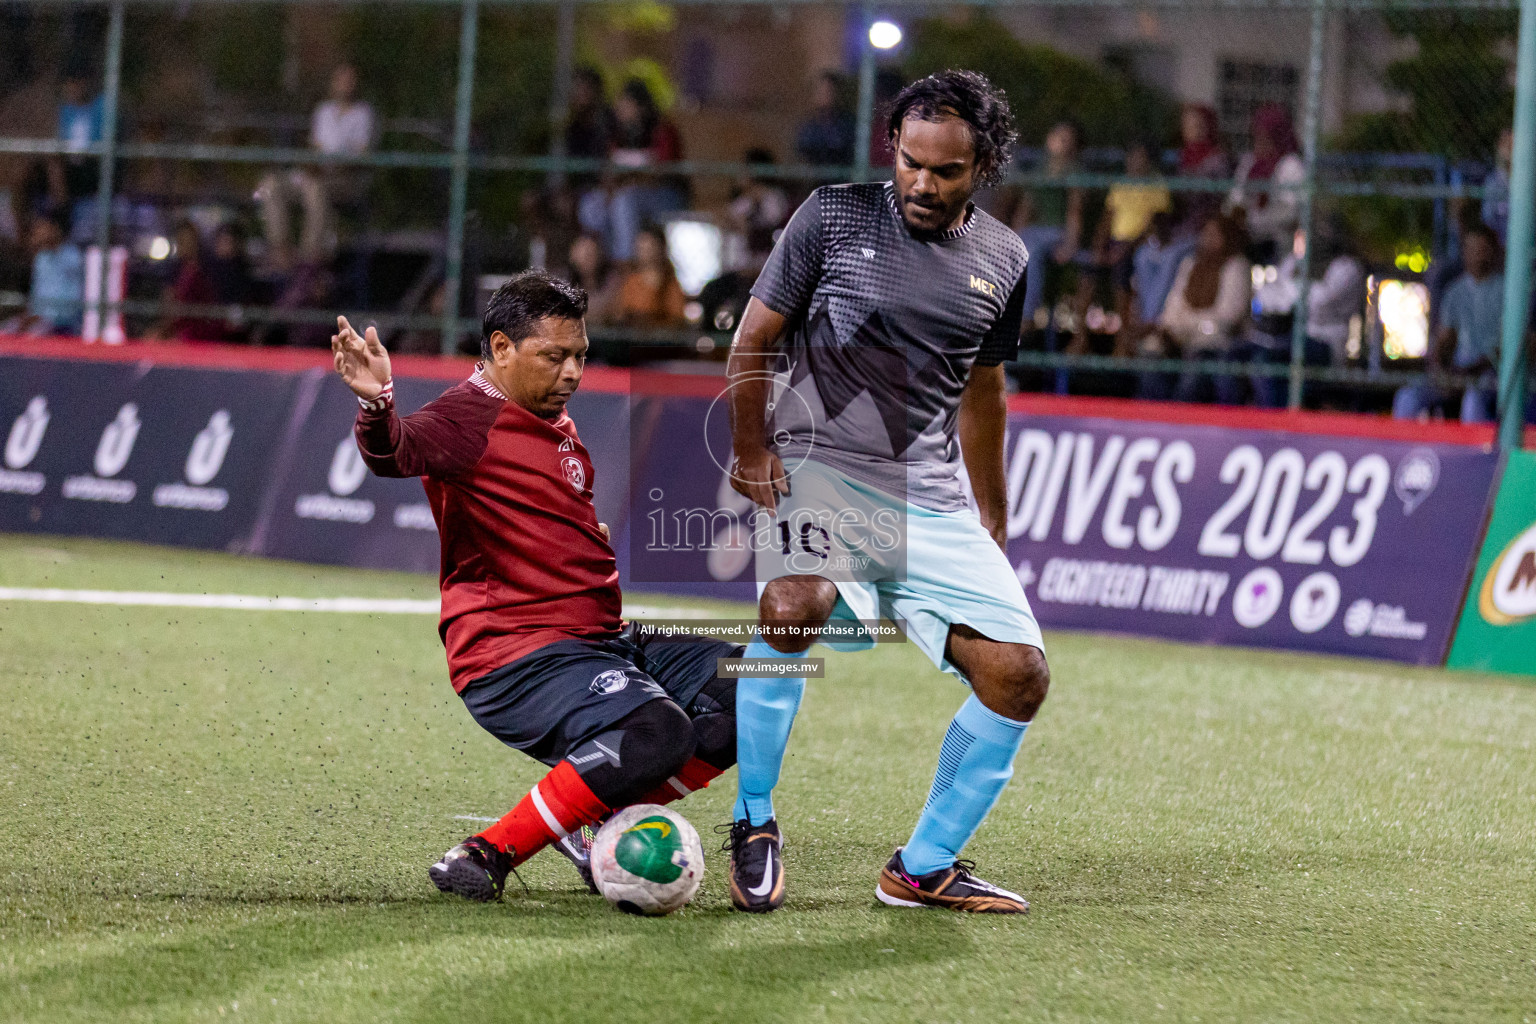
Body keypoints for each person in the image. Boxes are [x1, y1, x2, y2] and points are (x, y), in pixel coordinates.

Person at [725, 70, 1047, 914]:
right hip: (820, 466)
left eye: (945, 171)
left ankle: (923, 866)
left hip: (930, 498)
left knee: (1018, 676)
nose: (923, 183)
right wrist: (751, 445)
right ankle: (753, 819)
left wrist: (994, 514)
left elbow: (985, 393)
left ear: (982, 167)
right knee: (792, 604)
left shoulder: (1006, 259)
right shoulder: (830, 216)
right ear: (893, 150)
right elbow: (755, 335)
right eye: (911, 163)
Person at [330, 271, 743, 902]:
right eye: (555, 357)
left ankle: (596, 821)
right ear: (500, 348)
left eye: (580, 355)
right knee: (660, 730)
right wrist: (375, 402)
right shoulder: (465, 417)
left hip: (598, 642)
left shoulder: (553, 420)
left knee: (760, 681)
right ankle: (487, 852)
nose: (573, 372)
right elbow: (395, 451)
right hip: (515, 654)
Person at [257, 63, 376, 272]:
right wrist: (312, 163)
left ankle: (308, 257)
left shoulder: (363, 113)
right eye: (341, 80)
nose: (345, 85)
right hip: (315, 173)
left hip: (344, 180)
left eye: (350, 80)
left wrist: (333, 166)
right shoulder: (323, 111)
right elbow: (315, 147)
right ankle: (280, 249)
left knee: (314, 188)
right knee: (270, 184)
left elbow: (361, 155)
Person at [1240, 220, 1366, 408]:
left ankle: (1278, 424)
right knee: (1238, 355)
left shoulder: (1347, 267)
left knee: (1266, 362)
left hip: (1325, 344)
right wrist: (1296, 293)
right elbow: (1267, 296)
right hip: (1284, 337)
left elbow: (1319, 303)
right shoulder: (1295, 260)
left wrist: (1291, 290)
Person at [1393, 222, 1503, 424]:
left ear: (1493, 252)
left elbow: (1505, 347)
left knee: (1473, 399)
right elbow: (1445, 340)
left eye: (1482, 249)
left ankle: (1472, 455)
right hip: (1457, 372)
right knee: (1407, 396)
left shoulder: (1506, 290)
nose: (1477, 255)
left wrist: (1472, 370)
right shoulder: (1454, 291)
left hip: (1491, 373)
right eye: (1471, 249)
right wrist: (1442, 369)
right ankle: (1400, 453)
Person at [1067, 139, 1171, 353]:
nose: (1132, 161)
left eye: (1138, 156)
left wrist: (1124, 249)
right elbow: (1108, 217)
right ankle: (1080, 337)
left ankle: (1122, 343)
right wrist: (1098, 246)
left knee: (1121, 276)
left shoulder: (1157, 186)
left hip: (1137, 246)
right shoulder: (1122, 183)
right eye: (1131, 156)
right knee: (1087, 272)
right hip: (1114, 242)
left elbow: (1153, 225)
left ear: (1149, 161)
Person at [1137, 214, 1251, 403]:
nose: (1209, 240)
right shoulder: (1190, 264)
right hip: (1179, 338)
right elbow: (1174, 303)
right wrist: (1168, 328)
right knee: (1150, 354)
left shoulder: (1237, 266)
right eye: (1206, 234)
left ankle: (1182, 423)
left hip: (1215, 343)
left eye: (1215, 235)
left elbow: (1228, 316)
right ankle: (1155, 419)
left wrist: (1186, 328)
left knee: (1194, 373)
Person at [577, 79, 685, 263]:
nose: (620, 110)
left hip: (663, 195)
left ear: (641, 106)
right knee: (591, 204)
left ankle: (625, 264)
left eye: (626, 105)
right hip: (623, 189)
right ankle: (600, 262)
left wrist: (629, 181)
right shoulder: (618, 132)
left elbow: (662, 173)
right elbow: (608, 169)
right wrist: (612, 186)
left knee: (624, 202)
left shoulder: (661, 130)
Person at [1012, 120, 1086, 322]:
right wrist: (1011, 237)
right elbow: (1026, 207)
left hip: (1058, 231)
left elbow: (1074, 211)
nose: (1062, 143)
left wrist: (1071, 243)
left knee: (1031, 252)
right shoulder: (1039, 169)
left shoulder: (1074, 170)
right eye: (1059, 137)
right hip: (1036, 230)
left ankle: (1026, 317)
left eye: (1067, 139)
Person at [1227, 105, 1304, 262]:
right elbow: (1235, 199)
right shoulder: (1249, 163)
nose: (1260, 140)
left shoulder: (1291, 164)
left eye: (1267, 135)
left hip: (1279, 238)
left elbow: (1292, 211)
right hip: (1247, 235)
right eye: (1257, 135)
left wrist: (1256, 220)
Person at [1122, 209, 1195, 355]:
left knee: (1170, 257)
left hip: (1174, 317)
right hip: (1149, 316)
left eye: (1162, 227)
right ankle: (1148, 325)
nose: (1157, 232)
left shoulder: (1180, 251)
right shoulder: (1146, 254)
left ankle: (1151, 324)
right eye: (1154, 229)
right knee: (1142, 256)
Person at [4, 210, 83, 336]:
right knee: (5, 331)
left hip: (61, 321)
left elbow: (72, 301)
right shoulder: (41, 258)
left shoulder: (73, 256)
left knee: (32, 336)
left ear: (54, 229)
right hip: (38, 316)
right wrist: (27, 316)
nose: (38, 233)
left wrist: (42, 317)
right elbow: (36, 294)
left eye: (42, 228)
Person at [610, 226, 687, 328]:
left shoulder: (670, 284)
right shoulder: (630, 283)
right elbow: (620, 315)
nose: (645, 252)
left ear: (660, 248)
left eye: (650, 247)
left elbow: (677, 319)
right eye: (641, 248)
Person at [1176, 103, 1229, 232]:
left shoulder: (1217, 159)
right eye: (1187, 125)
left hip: (1206, 224)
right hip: (1182, 222)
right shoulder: (1182, 156)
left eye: (1197, 125)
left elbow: (1217, 196)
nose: (1192, 130)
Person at [794, 71, 855, 167]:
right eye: (820, 91)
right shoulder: (807, 129)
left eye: (829, 91)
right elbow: (801, 158)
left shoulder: (848, 125)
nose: (824, 95)